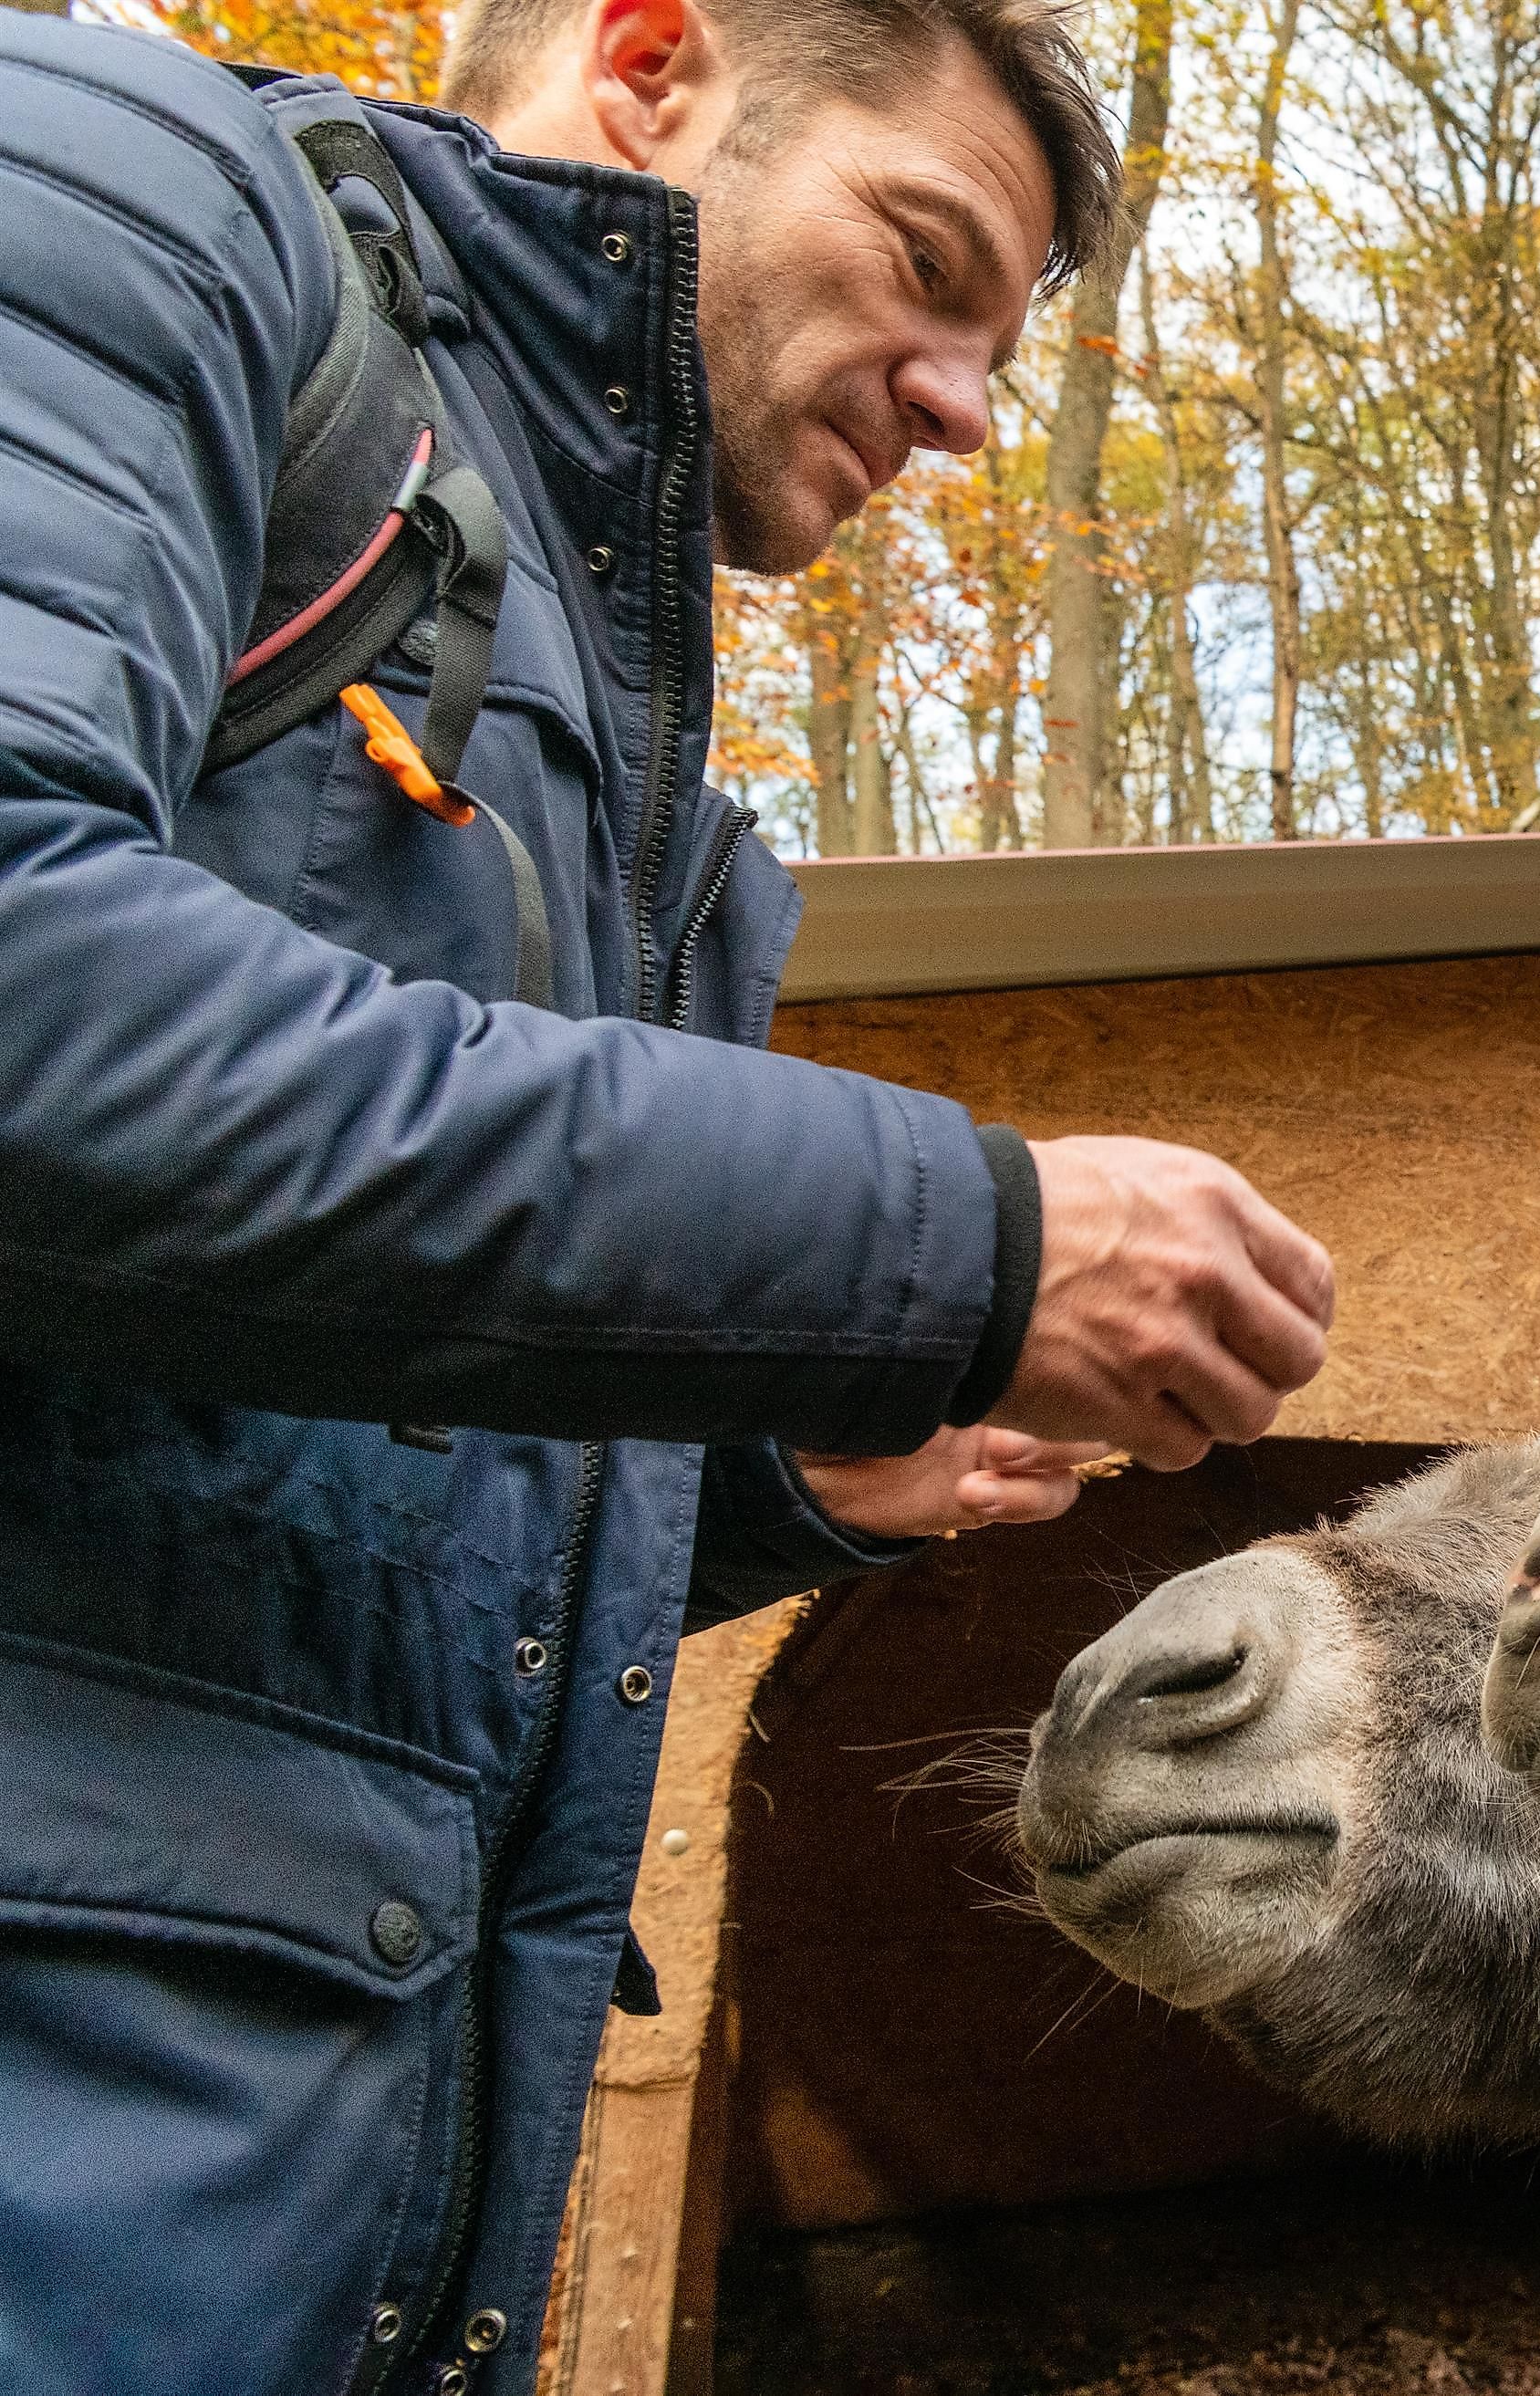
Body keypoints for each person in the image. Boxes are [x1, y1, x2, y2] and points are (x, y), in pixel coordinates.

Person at [0, 2, 1333, 2390]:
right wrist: (964, 1242)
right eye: (927, 257)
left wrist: (766, 1473)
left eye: (998, 356)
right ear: (649, 64)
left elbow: (265, 1456)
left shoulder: (644, 807)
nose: (956, 403)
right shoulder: (116, 188)